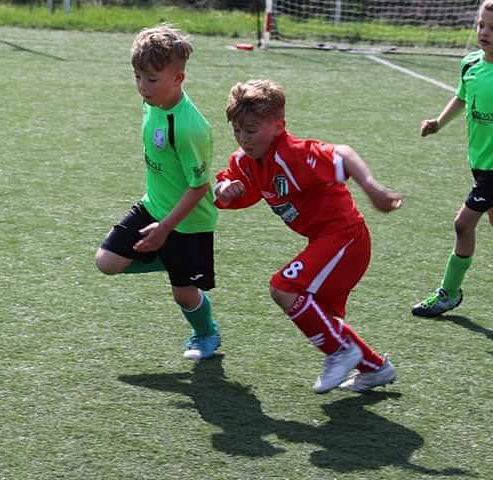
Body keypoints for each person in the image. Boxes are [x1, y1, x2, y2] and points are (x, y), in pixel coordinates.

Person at [214, 79, 403, 393]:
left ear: (278, 126)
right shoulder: (244, 162)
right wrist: (225, 190)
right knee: (319, 315)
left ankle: (340, 353)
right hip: (327, 241)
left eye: (251, 130)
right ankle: (374, 368)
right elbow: (228, 187)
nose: (243, 139)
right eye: (237, 130)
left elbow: (343, 153)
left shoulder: (294, 154)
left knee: (282, 287)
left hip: (345, 237)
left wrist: (373, 189)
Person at [94, 25, 221, 360]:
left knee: (184, 295)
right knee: (106, 262)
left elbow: (199, 187)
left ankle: (206, 333)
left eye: (151, 79)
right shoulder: (153, 102)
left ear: (178, 79)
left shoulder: (191, 127)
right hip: (154, 207)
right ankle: (168, 259)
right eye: (137, 76)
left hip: (187, 222)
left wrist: (165, 228)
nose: (142, 87)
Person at [412, 0, 493, 317]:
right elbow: (461, 97)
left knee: (463, 224)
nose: (484, 32)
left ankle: (449, 292)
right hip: (480, 164)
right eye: (480, 25)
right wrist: (438, 123)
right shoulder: (471, 64)